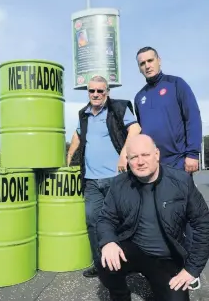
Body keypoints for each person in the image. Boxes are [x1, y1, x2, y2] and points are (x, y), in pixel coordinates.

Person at [96, 134, 209, 301]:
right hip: (134, 250)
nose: (140, 162)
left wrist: (192, 269)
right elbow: (106, 218)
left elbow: (203, 224)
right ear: (128, 160)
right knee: (104, 259)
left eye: (145, 155)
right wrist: (108, 242)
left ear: (156, 154)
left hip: (167, 258)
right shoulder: (119, 184)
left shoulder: (181, 182)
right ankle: (120, 296)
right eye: (134, 157)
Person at [67, 75, 141, 278]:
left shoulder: (118, 108)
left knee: (124, 221)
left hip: (116, 178)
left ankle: (128, 262)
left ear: (107, 92)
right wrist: (69, 155)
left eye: (101, 90)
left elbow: (135, 129)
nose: (96, 94)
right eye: (92, 91)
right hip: (91, 180)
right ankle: (101, 263)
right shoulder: (84, 114)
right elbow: (78, 135)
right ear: (88, 92)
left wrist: (124, 154)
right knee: (93, 221)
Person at [134, 46, 202, 174]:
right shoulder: (139, 97)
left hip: (178, 161)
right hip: (151, 164)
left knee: (180, 195)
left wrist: (193, 154)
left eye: (150, 60)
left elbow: (192, 118)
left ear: (159, 60)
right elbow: (140, 130)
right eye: (142, 63)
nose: (147, 66)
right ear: (139, 68)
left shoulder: (176, 84)